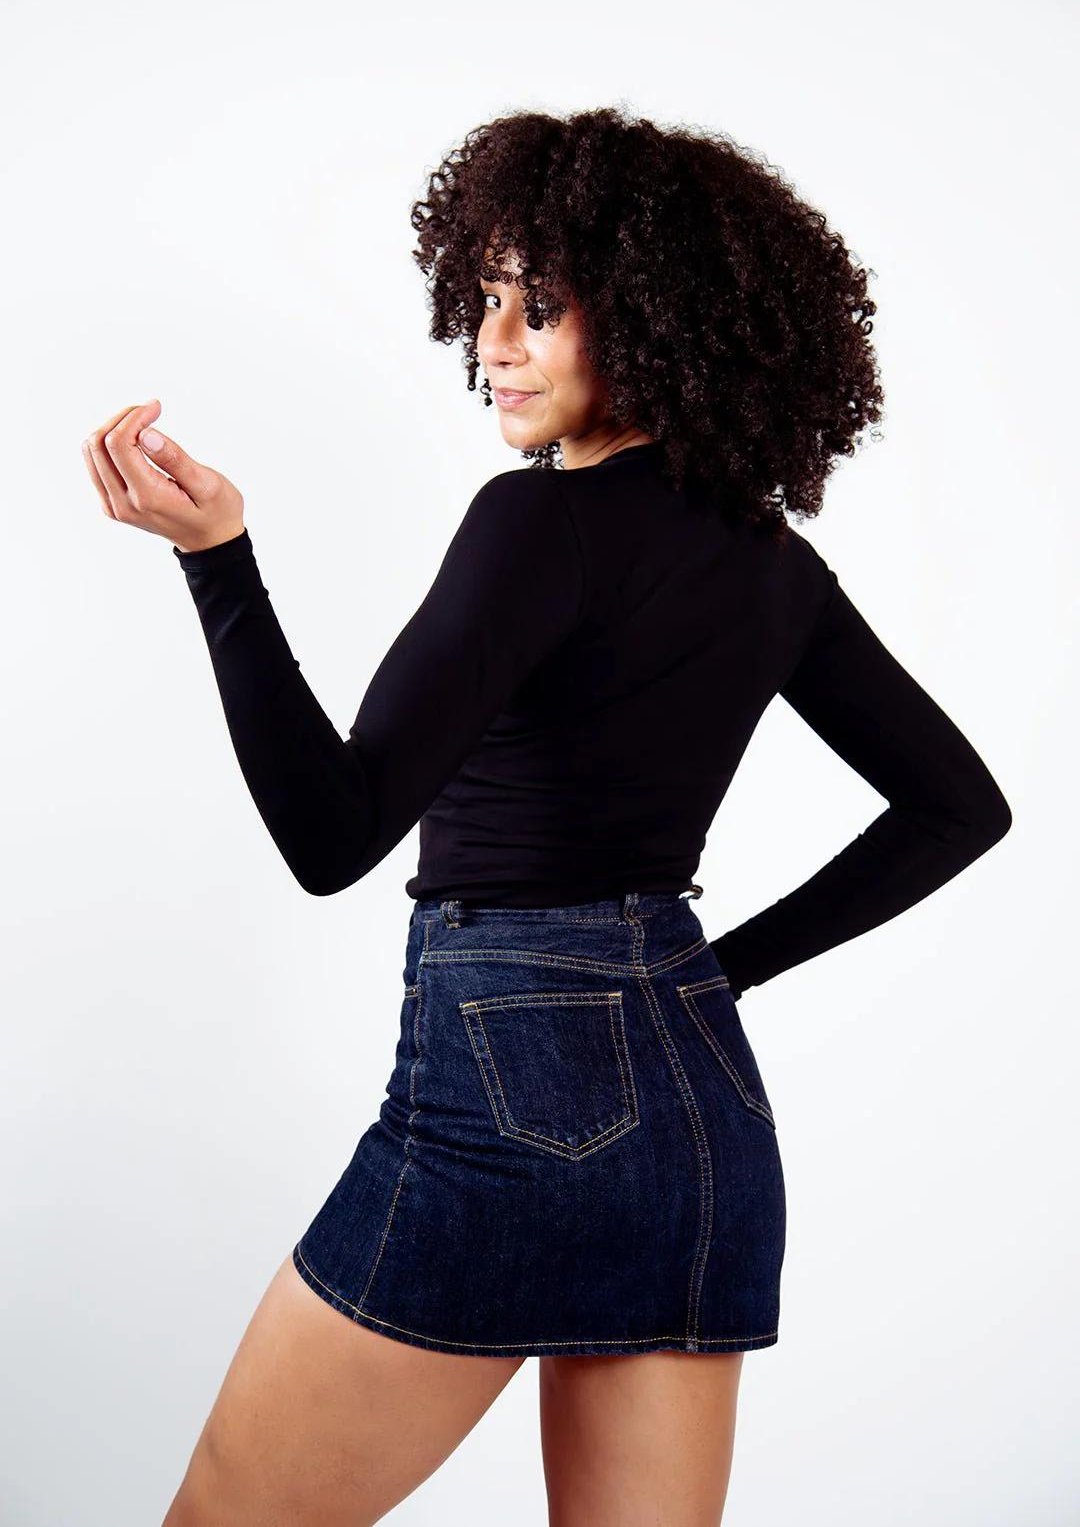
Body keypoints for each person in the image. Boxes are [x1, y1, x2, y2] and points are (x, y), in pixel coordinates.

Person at [81, 107, 1011, 1527]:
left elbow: (332, 836)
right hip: (699, 1122)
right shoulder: (773, 565)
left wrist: (218, 560)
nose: (497, 341)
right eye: (487, 298)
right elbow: (957, 808)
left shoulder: (536, 522)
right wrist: (708, 977)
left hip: (504, 1091)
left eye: (543, 304)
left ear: (652, 316)